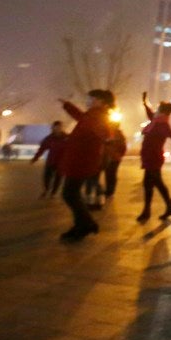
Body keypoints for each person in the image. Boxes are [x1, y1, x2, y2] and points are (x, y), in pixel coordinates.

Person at [57, 90, 115, 241]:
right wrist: (68, 105)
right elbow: (81, 117)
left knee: (69, 194)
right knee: (72, 194)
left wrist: (107, 140)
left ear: (101, 101)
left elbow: (105, 133)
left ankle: (87, 223)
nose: (88, 100)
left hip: (81, 160)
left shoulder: (98, 116)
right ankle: (80, 226)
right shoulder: (93, 114)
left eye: (91, 98)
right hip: (79, 159)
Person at [137, 92, 171, 223]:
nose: (155, 111)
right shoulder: (156, 121)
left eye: (158, 109)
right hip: (149, 157)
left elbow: (170, 133)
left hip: (154, 158)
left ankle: (158, 209)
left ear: (162, 112)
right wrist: (145, 103)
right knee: (150, 184)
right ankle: (158, 208)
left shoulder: (162, 124)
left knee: (154, 183)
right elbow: (150, 113)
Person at [31, 121, 67, 197]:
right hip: (51, 161)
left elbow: (72, 149)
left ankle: (53, 192)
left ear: (61, 128)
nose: (58, 129)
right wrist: (35, 158)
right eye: (56, 127)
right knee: (46, 177)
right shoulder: (49, 138)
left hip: (61, 163)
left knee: (58, 178)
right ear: (53, 128)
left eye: (59, 127)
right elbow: (42, 149)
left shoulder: (66, 137)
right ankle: (46, 189)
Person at [100, 120, 127, 202]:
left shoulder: (119, 135)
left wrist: (119, 155)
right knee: (108, 174)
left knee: (111, 174)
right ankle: (109, 190)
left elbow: (123, 147)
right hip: (108, 157)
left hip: (114, 158)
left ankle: (110, 191)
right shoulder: (110, 134)